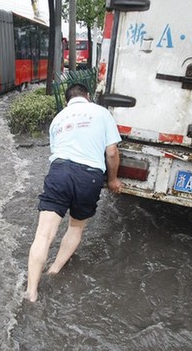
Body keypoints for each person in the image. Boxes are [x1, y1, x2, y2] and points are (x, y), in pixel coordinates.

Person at [25, 83, 123, 302]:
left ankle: (31, 292)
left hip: (59, 172)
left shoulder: (58, 118)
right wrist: (113, 179)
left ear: (68, 99)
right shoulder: (101, 112)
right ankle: (54, 270)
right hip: (89, 176)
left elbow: (58, 150)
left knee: (43, 234)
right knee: (76, 226)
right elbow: (112, 152)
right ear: (87, 96)